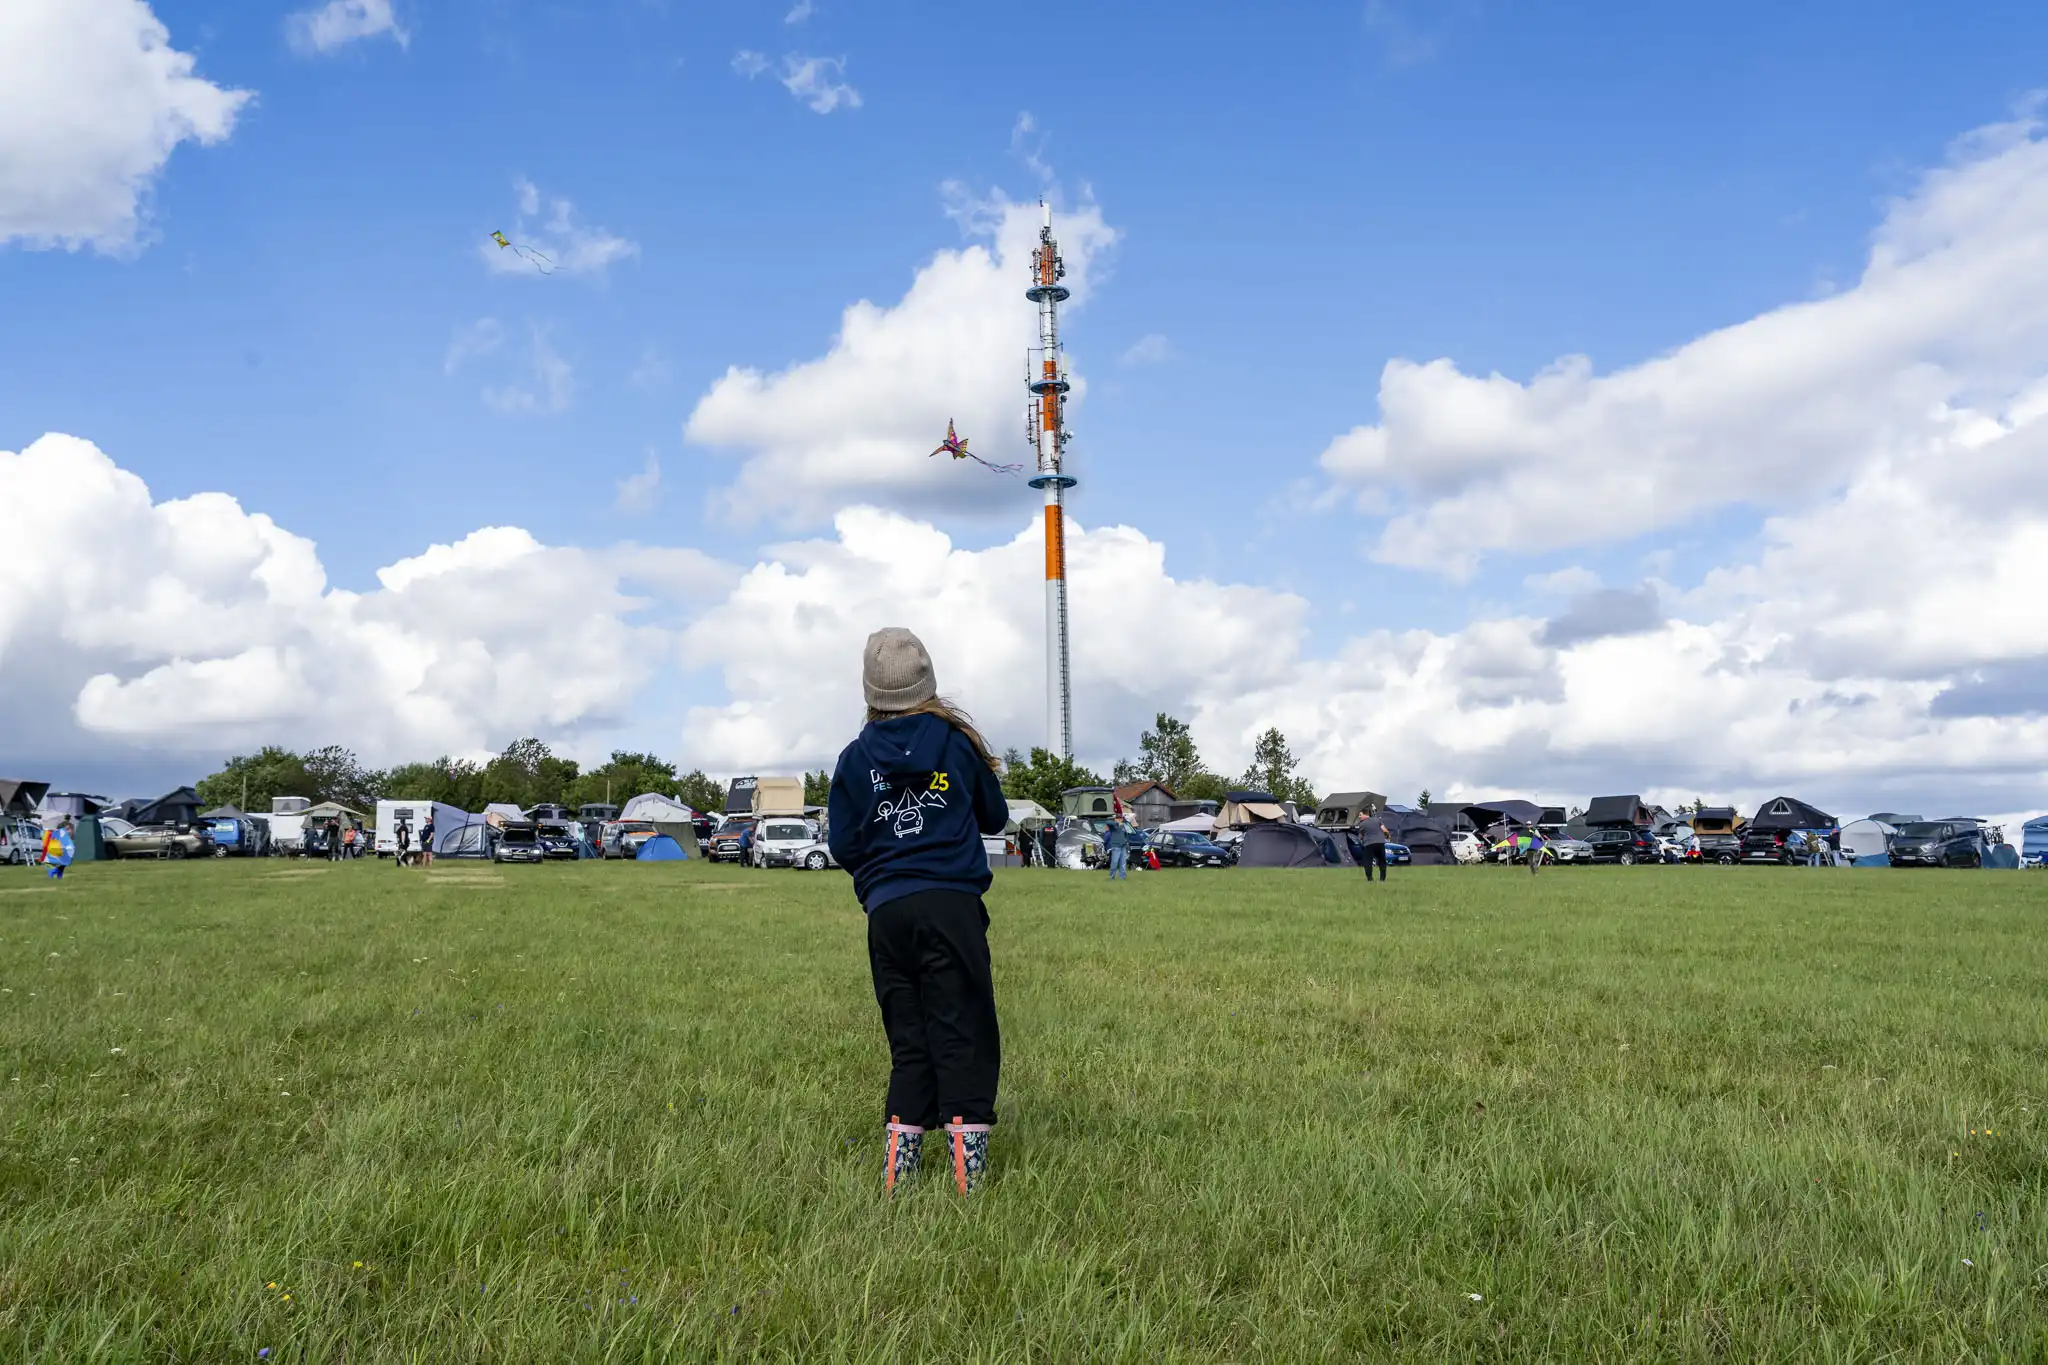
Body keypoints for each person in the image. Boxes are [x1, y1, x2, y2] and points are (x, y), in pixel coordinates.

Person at [827, 627, 1008, 1196]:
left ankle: (897, 1173)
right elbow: (995, 816)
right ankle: (966, 1176)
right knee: (963, 1029)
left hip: (887, 914)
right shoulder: (955, 743)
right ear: (928, 682)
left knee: (909, 1037)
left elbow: (843, 845)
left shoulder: (854, 759)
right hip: (950, 906)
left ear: (870, 691)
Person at [1357, 814, 1390, 882]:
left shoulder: (1362, 824)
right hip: (1380, 843)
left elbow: (1360, 837)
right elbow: (1385, 830)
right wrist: (1387, 837)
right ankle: (1382, 879)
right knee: (1382, 861)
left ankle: (1370, 879)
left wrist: (1362, 840)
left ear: (1365, 815)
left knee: (1368, 861)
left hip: (1369, 844)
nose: (1359, 817)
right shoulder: (1377, 820)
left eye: (1360, 816)